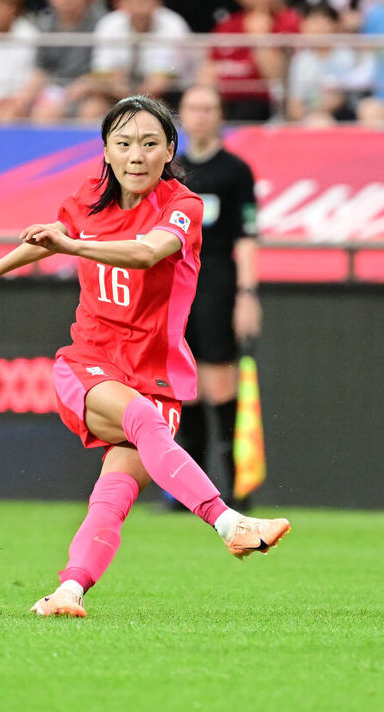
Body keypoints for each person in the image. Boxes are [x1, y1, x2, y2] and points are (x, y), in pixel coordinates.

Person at [0, 94, 290, 618]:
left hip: (157, 375)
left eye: (150, 143)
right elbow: (48, 238)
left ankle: (68, 591)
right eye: (123, 144)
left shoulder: (182, 207)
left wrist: (71, 246)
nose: (136, 156)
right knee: (141, 420)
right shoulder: (87, 198)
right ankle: (229, 523)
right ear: (105, 149)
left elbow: (146, 251)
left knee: (114, 495)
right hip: (89, 364)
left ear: (170, 149)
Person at [174, 84, 261, 510]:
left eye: (209, 108)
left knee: (220, 381)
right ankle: (189, 492)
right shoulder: (171, 170)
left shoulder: (235, 171)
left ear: (220, 115)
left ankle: (237, 485)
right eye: (193, 108)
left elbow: (247, 236)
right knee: (184, 384)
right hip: (177, 288)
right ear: (182, 116)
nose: (201, 116)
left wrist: (247, 293)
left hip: (219, 284)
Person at [199, 0, 301, 122]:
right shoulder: (227, 25)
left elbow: (278, 77)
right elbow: (209, 70)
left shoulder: (290, 21)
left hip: (265, 105)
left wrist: (260, 37)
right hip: (223, 103)